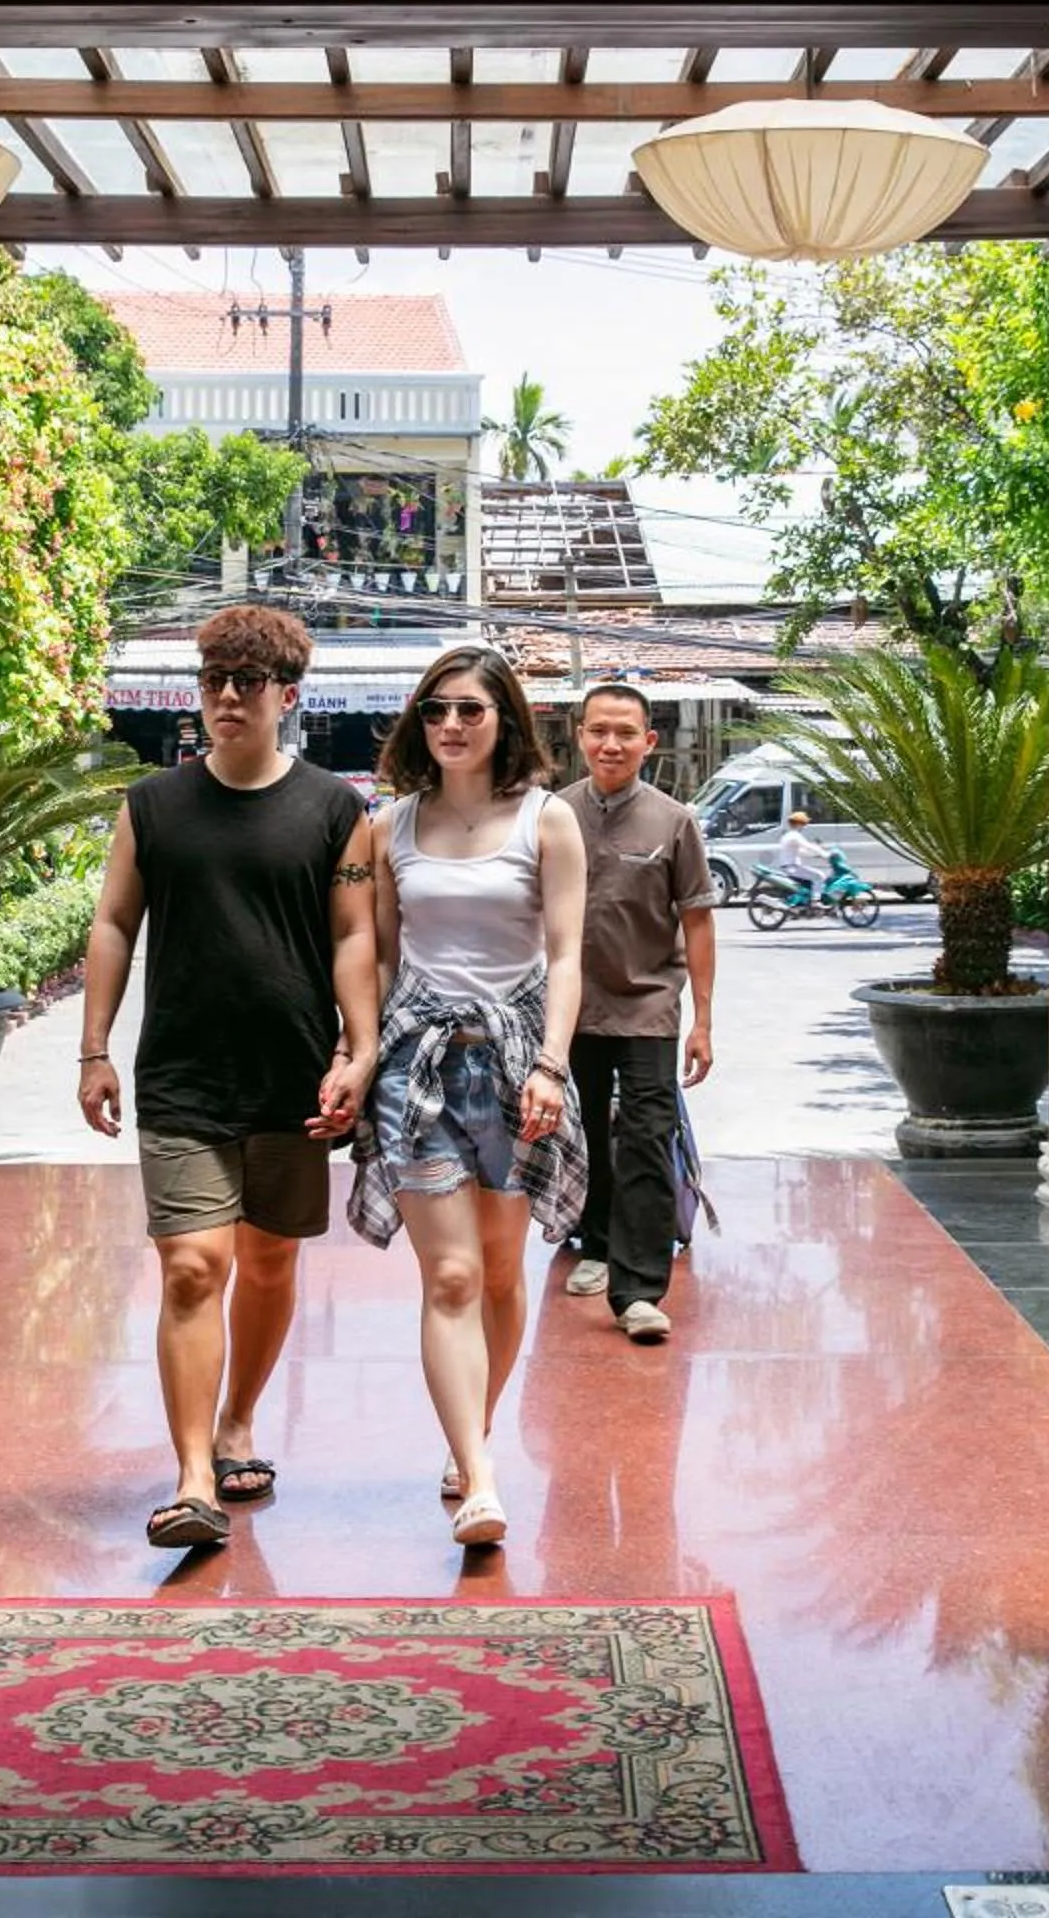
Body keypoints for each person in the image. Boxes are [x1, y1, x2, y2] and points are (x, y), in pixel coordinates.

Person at [79, 603, 379, 1550]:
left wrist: (357, 1050)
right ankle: (193, 1477)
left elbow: (354, 935)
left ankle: (240, 1418)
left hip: (293, 1074)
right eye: (213, 682)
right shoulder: (153, 807)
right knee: (193, 1264)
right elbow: (115, 924)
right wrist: (93, 1047)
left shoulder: (338, 810)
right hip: (180, 1075)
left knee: (272, 1260)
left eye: (246, 684)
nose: (226, 700)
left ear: (289, 696)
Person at [348, 645, 589, 1547]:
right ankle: (481, 1480)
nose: (449, 725)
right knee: (448, 1275)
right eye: (436, 710)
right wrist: (358, 1052)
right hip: (419, 1066)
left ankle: (470, 1438)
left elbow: (565, 955)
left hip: (518, 1059)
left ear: (505, 723)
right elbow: (373, 955)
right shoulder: (391, 828)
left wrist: (553, 1066)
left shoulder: (547, 821)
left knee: (497, 1271)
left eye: (470, 711)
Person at [553, 684, 718, 1339]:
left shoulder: (674, 821)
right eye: (599, 731)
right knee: (583, 1133)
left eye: (625, 732)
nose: (611, 744)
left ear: (649, 742)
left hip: (649, 1007)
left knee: (649, 1137)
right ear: (580, 736)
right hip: (569, 1009)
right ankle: (594, 1244)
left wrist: (702, 1019)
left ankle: (640, 1291)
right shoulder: (554, 814)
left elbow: (698, 922)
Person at [772, 808, 820, 899]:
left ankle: (807, 901)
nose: (804, 826)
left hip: (789, 867)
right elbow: (808, 846)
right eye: (803, 824)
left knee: (810, 879)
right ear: (798, 824)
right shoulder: (795, 836)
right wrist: (825, 854)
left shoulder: (788, 835)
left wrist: (815, 855)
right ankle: (816, 901)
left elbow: (800, 852)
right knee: (819, 876)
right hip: (792, 867)